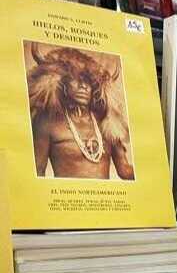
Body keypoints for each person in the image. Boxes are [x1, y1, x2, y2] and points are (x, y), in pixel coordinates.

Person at [27, 43, 133, 180]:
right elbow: (38, 173)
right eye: (75, 79)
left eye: (88, 81)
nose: (83, 86)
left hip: (105, 195)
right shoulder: (46, 123)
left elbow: (125, 171)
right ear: (62, 83)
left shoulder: (108, 123)